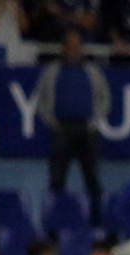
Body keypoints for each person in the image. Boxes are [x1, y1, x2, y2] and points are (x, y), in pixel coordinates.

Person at [37, 30, 109, 223]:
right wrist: (53, 123)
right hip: (61, 130)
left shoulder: (92, 71)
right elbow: (42, 100)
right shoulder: (52, 71)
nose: (74, 50)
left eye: (78, 46)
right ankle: (54, 222)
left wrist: (94, 122)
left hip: (87, 130)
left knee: (92, 178)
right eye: (70, 46)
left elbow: (104, 99)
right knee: (57, 179)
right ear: (63, 48)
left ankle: (97, 221)